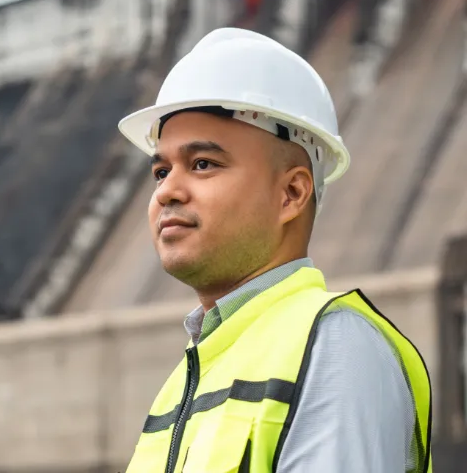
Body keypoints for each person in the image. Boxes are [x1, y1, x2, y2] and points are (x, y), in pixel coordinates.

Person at [118, 28, 432, 472]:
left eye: (203, 164)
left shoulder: (335, 348)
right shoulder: (190, 376)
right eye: (161, 170)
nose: (167, 190)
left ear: (291, 193)